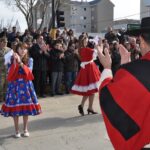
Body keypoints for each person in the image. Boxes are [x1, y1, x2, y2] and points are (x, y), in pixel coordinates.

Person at [98, 17, 150, 150]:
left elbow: (108, 97)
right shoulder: (132, 71)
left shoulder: (133, 71)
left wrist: (108, 68)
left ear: (142, 42)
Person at [1, 42, 42, 138]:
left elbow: (29, 72)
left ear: (27, 50)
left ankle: (25, 129)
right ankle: (16, 131)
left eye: (25, 48)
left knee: (25, 109)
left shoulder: (30, 60)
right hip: (14, 86)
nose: (23, 50)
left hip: (26, 86)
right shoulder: (11, 59)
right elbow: (9, 74)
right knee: (15, 109)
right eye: (20, 48)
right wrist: (14, 61)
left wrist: (20, 62)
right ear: (17, 49)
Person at [71, 35, 101, 116]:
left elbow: (83, 58)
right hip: (90, 69)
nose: (87, 41)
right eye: (86, 40)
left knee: (90, 91)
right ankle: (86, 107)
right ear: (83, 41)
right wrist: (97, 45)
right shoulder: (86, 49)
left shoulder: (80, 49)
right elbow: (97, 52)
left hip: (86, 69)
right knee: (91, 90)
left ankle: (87, 107)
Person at [0, 37, 13, 102]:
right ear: (1, 42)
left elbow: (12, 58)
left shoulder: (9, 50)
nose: (5, 43)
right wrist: (4, 58)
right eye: (4, 42)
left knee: (7, 85)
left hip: (7, 70)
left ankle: (6, 98)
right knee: (1, 85)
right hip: (1, 70)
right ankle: (1, 98)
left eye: (6, 42)